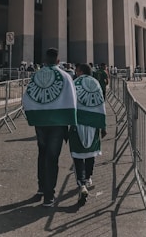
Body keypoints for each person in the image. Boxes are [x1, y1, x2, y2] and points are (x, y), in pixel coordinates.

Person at [22, 47, 77, 207]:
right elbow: (71, 98)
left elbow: (28, 97)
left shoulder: (36, 75)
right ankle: (49, 195)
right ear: (58, 61)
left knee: (42, 153)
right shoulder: (65, 76)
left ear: (45, 60)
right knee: (52, 157)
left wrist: (32, 116)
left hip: (40, 122)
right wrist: (71, 122)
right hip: (58, 123)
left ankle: (41, 187)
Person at [69, 63, 107, 205]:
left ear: (80, 71)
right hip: (93, 123)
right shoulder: (95, 83)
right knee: (91, 153)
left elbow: (70, 102)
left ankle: (82, 183)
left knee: (78, 155)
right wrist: (103, 125)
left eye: (77, 71)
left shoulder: (75, 83)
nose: (75, 72)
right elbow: (101, 104)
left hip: (78, 122)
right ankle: (89, 176)